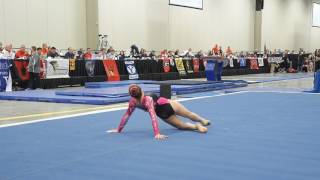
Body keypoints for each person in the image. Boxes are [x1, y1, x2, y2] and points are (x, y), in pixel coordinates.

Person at [107, 84, 210, 140]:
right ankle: (202, 120)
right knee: (189, 114)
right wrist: (157, 133)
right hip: (170, 103)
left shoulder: (133, 102)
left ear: (131, 95)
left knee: (182, 126)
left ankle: (197, 126)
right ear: (142, 91)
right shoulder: (147, 99)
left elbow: (127, 116)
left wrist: (119, 129)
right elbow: (152, 117)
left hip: (163, 113)